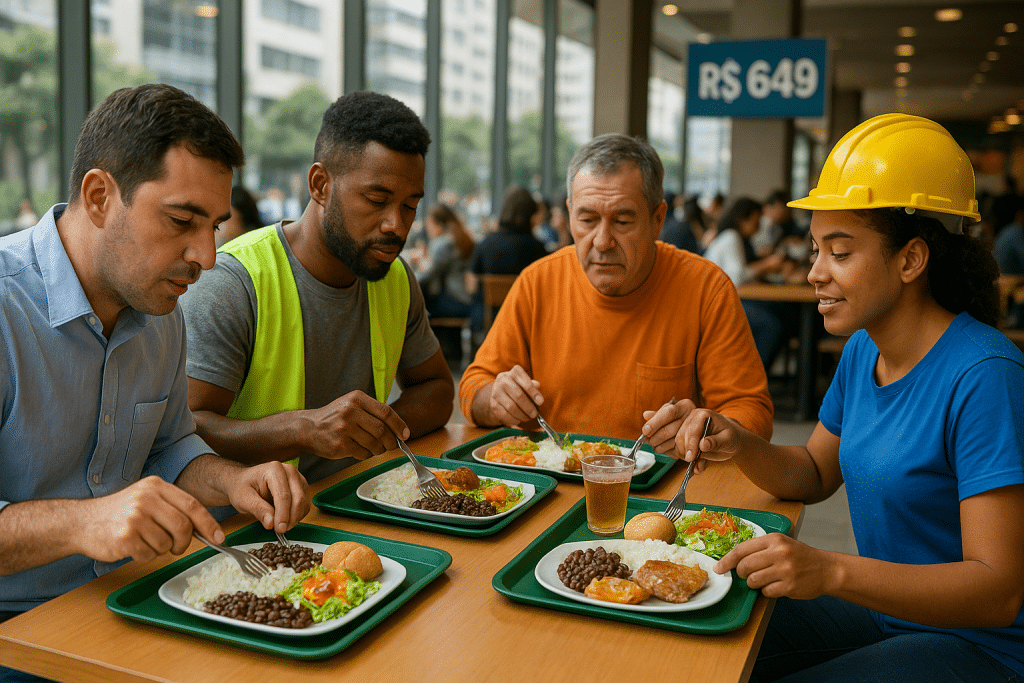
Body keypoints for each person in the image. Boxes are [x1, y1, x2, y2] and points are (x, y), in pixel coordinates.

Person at [675, 114, 1024, 683]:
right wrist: (737, 441)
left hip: (982, 648)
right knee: (702, 628)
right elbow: (813, 471)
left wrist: (830, 570)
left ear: (911, 259)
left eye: (839, 252)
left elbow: (997, 590)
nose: (813, 272)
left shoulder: (986, 376)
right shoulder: (864, 350)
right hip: (890, 616)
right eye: (815, 249)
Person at [0, 84, 310, 682]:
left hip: (134, 609)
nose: (207, 256)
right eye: (181, 220)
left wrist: (235, 479)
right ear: (98, 196)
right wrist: (84, 522)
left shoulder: (161, 311)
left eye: (215, 225)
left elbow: (170, 447)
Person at [181, 91, 454, 484]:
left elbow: (438, 389)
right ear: (320, 184)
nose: (397, 224)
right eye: (376, 199)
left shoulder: (395, 278)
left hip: (359, 505)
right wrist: (304, 431)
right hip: (255, 528)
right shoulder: (234, 282)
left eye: (410, 205)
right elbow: (187, 431)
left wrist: (374, 433)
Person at [458, 133, 772, 453]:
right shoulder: (537, 283)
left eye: (622, 221)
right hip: (550, 486)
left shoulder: (705, 288)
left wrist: (706, 430)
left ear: (657, 219)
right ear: (569, 215)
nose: (602, 241)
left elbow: (751, 410)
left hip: (659, 494)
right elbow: (473, 387)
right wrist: (495, 397)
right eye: (587, 220)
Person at [704, 197, 794, 370]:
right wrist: (767, 265)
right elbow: (736, 277)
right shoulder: (731, 237)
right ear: (745, 218)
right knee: (771, 326)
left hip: (725, 299)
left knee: (780, 313)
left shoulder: (733, 237)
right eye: (757, 220)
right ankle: (752, 377)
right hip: (717, 304)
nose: (759, 226)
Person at [466, 185, 550, 330]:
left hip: (489, 321)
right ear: (531, 213)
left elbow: (471, 286)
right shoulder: (537, 248)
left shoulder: (486, 243)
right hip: (526, 321)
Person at [415, 203, 475, 319]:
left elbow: (430, 273)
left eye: (430, 225)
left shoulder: (444, 243)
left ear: (440, 225)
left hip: (456, 300)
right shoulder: (457, 238)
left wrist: (409, 281)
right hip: (462, 298)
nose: (428, 230)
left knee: (418, 306)